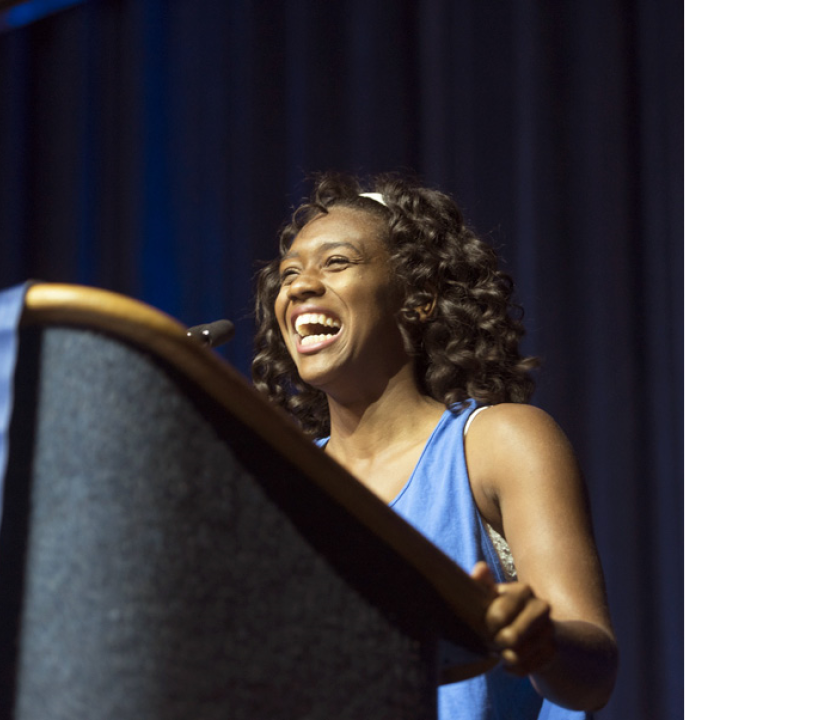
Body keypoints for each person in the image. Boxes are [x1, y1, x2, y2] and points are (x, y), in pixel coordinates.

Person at [252, 173, 617, 719]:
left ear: (418, 297)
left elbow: (594, 678)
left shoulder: (500, 442)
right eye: (289, 274)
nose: (299, 287)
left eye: (337, 263)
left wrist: (539, 640)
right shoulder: (281, 484)